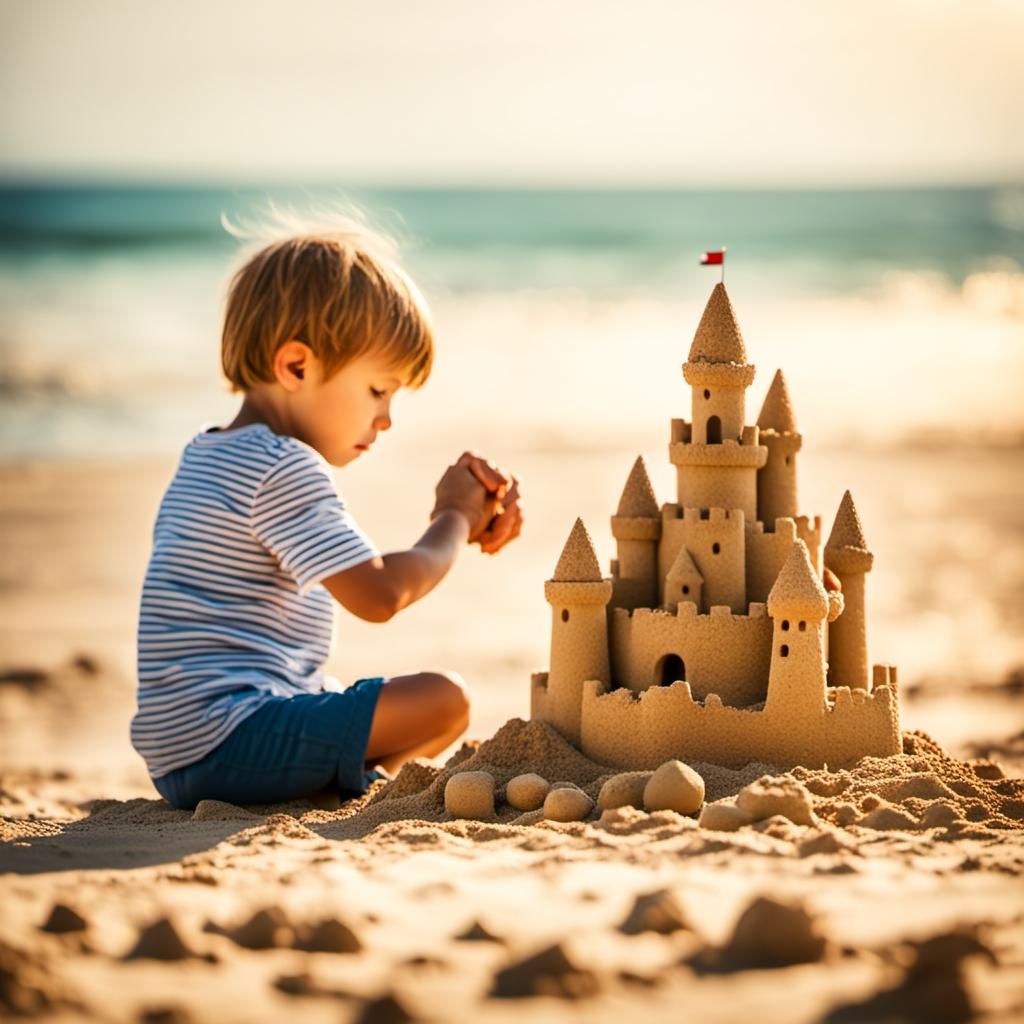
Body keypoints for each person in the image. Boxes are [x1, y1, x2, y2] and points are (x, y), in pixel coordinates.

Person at [131, 211, 522, 811]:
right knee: (446, 702)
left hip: (178, 753)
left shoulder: (208, 454)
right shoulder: (279, 464)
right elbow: (379, 595)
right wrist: (454, 518)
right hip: (231, 736)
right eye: (377, 390)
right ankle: (348, 783)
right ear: (296, 367)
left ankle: (335, 781)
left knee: (389, 707)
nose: (387, 418)